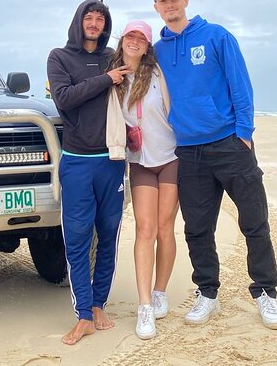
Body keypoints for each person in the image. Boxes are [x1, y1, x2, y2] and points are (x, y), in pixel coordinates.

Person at [151, 0, 277, 330]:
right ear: (156, 7)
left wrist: (244, 133)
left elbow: (240, 84)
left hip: (229, 143)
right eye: (162, 0)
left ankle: (265, 294)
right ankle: (207, 293)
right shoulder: (159, 50)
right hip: (189, 150)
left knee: (254, 221)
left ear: (185, 0)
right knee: (197, 229)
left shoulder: (217, 36)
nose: (170, 5)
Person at [47, 0, 130, 345]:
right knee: (78, 241)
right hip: (78, 161)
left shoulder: (115, 56)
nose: (94, 23)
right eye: (89, 17)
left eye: (100, 18)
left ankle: (99, 304)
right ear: (79, 21)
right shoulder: (60, 57)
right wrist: (106, 79)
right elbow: (64, 98)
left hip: (112, 161)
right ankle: (82, 314)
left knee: (109, 237)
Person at [106, 20, 179, 340]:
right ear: (122, 41)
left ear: (148, 45)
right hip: (139, 163)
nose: (135, 41)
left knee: (165, 228)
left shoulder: (160, 75)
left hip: (170, 158)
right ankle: (145, 305)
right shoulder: (114, 78)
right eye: (130, 36)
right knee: (145, 229)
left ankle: (160, 290)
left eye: (141, 38)